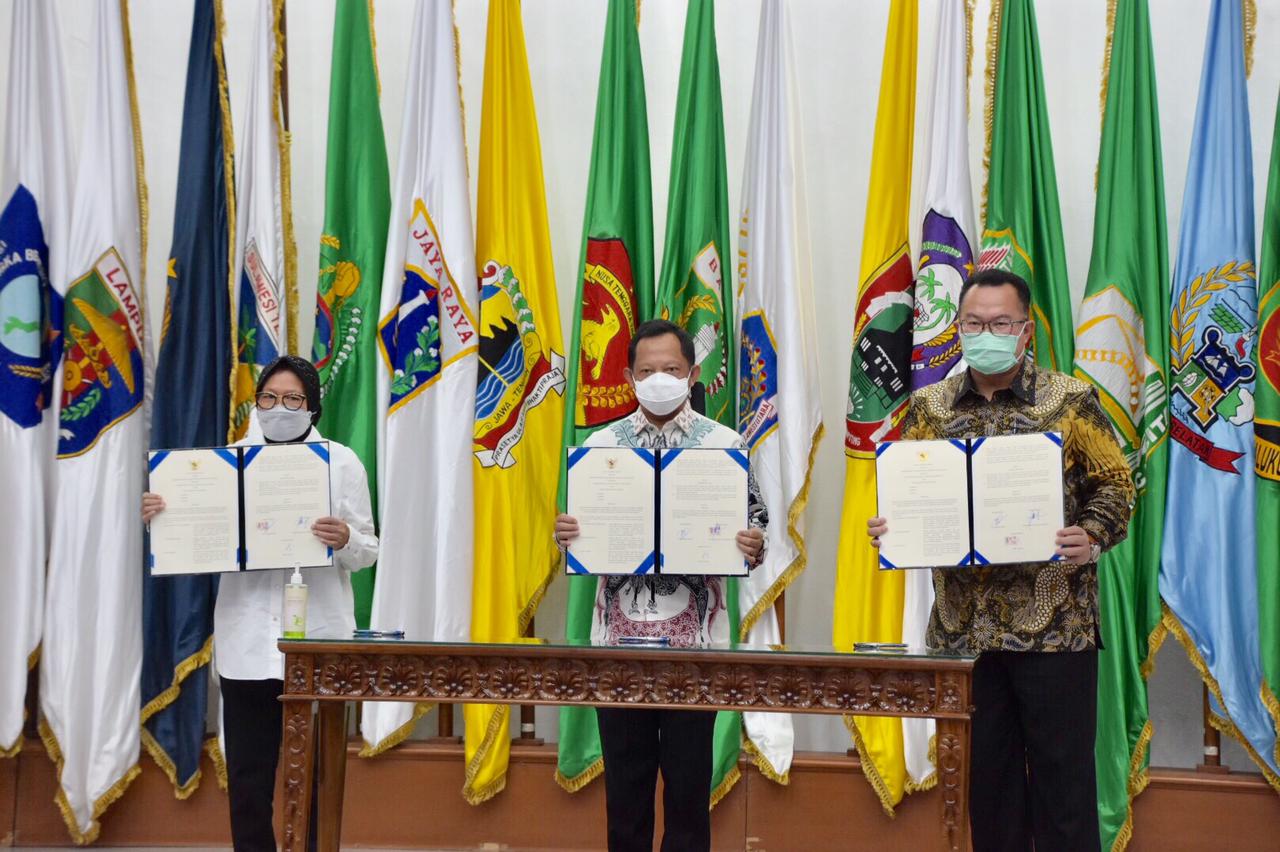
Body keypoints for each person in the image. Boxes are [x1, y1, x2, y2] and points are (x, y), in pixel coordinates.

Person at [867, 269, 1134, 852]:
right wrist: (892, 528)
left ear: (1026, 330)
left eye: (1000, 323)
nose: (986, 333)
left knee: (1064, 793)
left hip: (1056, 633)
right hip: (966, 636)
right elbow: (909, 494)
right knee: (989, 793)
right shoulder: (929, 407)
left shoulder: (1070, 400)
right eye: (973, 323)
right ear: (958, 329)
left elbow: (1117, 485)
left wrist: (1092, 535)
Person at [142, 355, 378, 852]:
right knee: (248, 778)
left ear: (312, 406)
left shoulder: (341, 462)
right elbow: (194, 537)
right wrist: (164, 515)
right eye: (268, 398)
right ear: (256, 403)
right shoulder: (223, 465)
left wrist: (346, 538)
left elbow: (367, 551)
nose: (279, 408)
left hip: (317, 639)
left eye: (292, 399)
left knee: (315, 774)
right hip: (247, 641)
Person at [554, 319, 767, 852]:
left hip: (696, 651)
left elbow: (757, 526)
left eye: (671, 369)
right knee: (625, 798)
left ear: (692, 374)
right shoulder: (599, 447)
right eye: (647, 371)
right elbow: (583, 535)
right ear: (628, 378)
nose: (659, 379)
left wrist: (753, 543)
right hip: (618, 649)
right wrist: (569, 536)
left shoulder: (725, 445)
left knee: (688, 798)